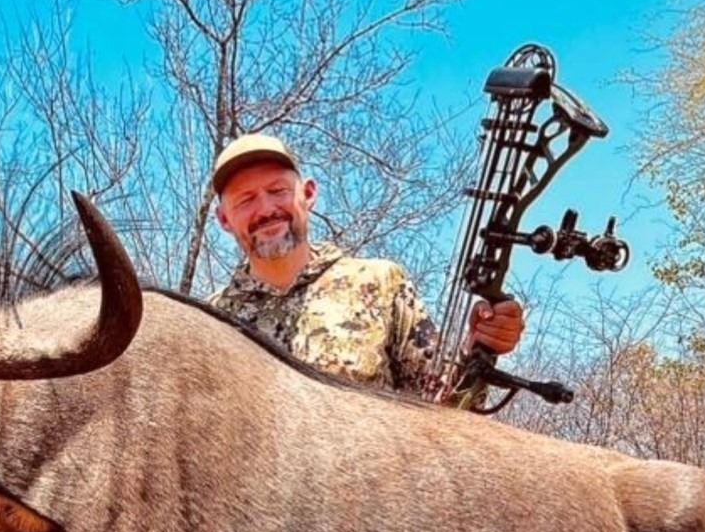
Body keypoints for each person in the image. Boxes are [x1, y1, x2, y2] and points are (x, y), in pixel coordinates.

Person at [206, 134, 525, 406]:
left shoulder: (380, 283)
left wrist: (481, 348)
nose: (265, 209)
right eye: (245, 199)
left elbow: (445, 411)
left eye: (277, 191)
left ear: (309, 194)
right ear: (223, 219)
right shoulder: (210, 321)